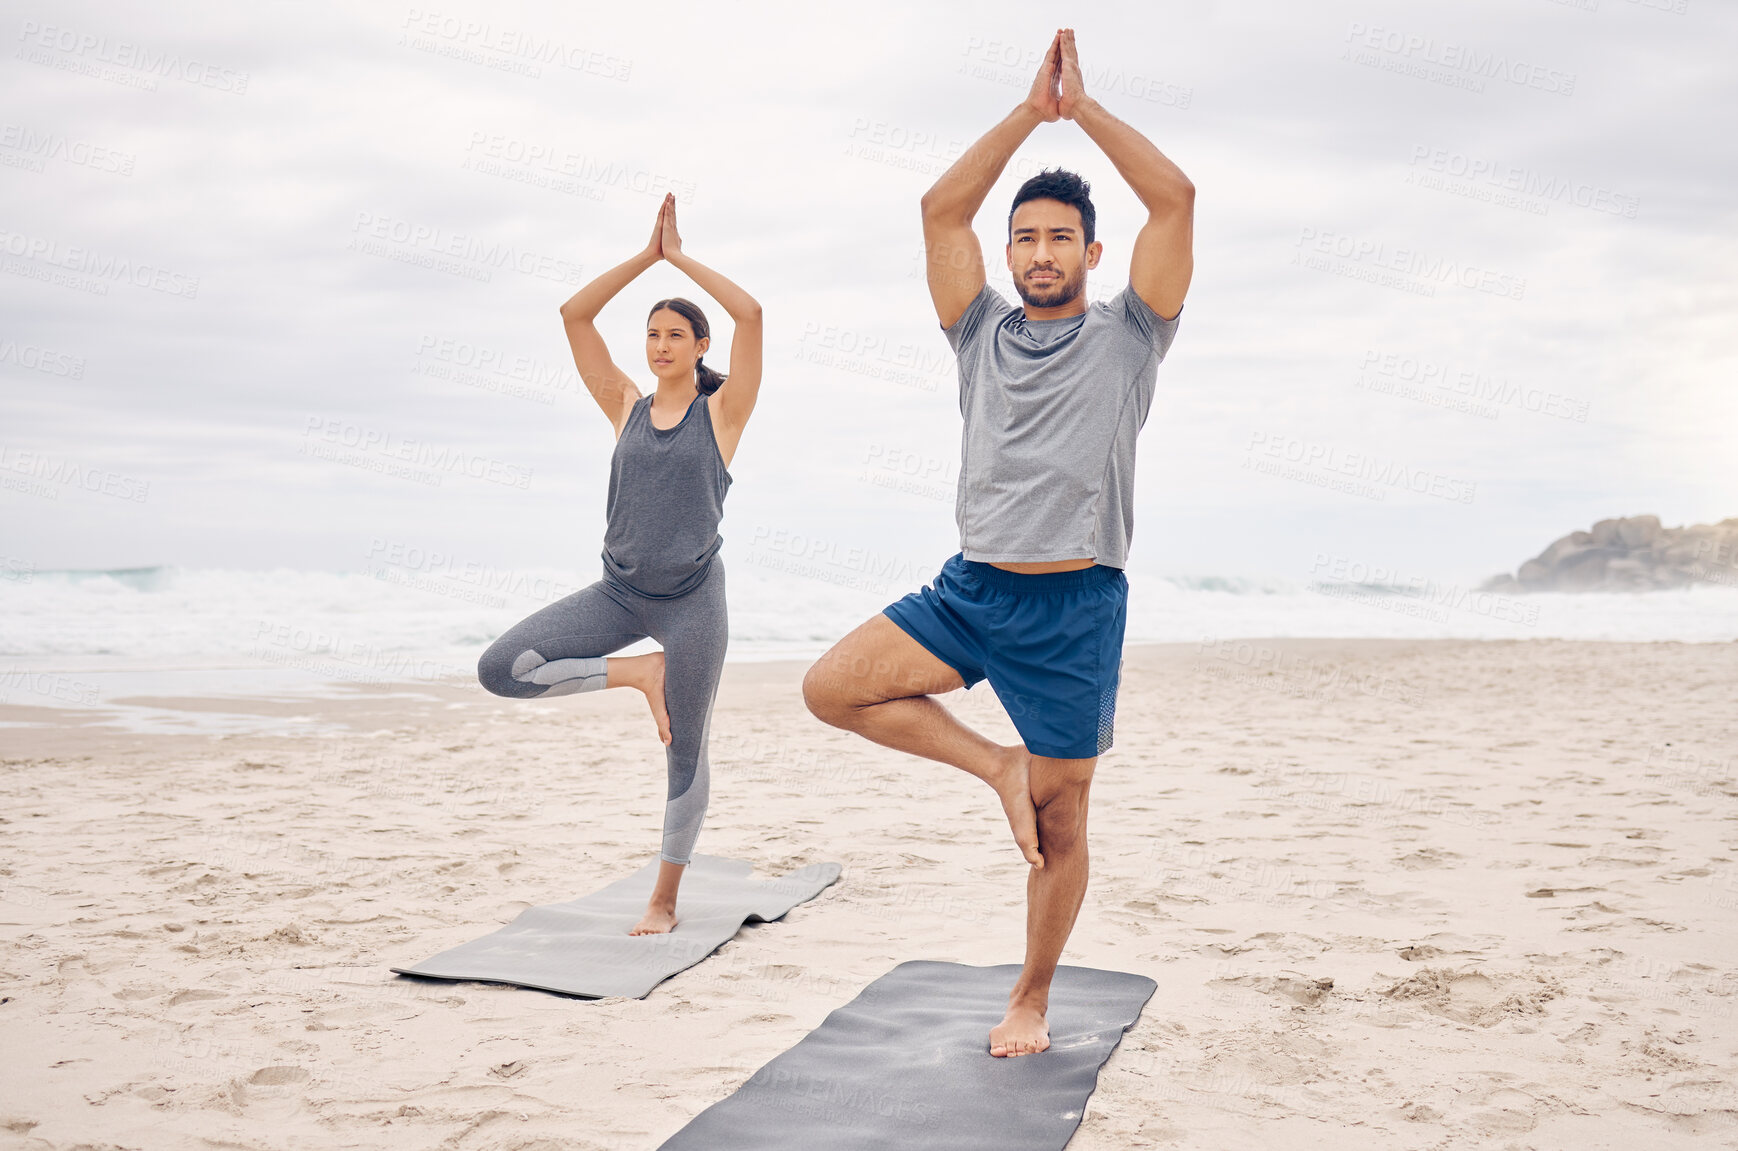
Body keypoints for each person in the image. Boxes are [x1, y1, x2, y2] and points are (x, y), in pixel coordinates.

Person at [802, 28, 1193, 1056]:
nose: (1039, 253)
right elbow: (938, 210)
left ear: (1090, 253)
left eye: (1060, 237)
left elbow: (1175, 201)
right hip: (971, 591)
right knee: (832, 686)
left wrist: (1085, 110)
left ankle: (1030, 993)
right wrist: (1028, 110)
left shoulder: (1130, 332)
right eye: (1025, 236)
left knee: (1062, 832)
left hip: (1075, 610)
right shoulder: (976, 329)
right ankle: (994, 767)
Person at [477, 193, 762, 936]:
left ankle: (664, 898)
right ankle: (639, 673)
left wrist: (682, 257)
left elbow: (754, 316)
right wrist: (646, 257)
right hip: (618, 594)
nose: (661, 344)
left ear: (700, 345)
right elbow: (574, 315)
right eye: (652, 333)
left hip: (693, 600)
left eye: (676, 334)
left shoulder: (722, 414)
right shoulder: (626, 406)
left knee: (686, 746)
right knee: (502, 668)